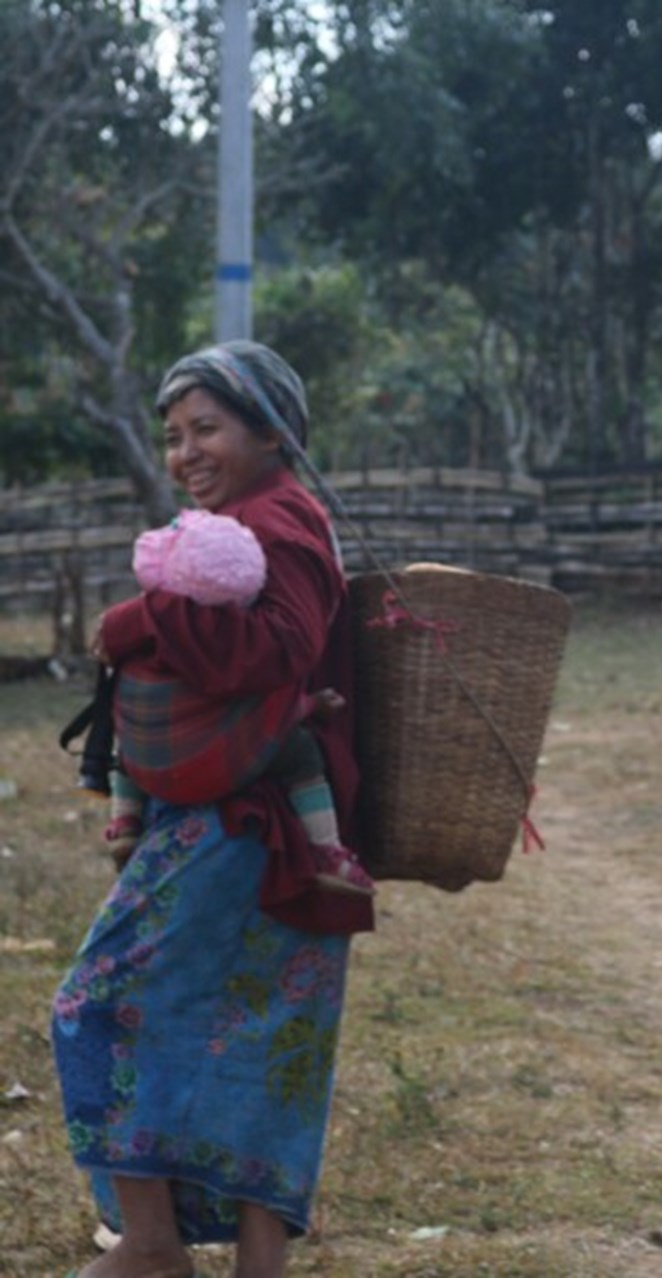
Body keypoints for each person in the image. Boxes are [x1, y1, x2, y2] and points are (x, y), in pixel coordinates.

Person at [51, 340, 374, 1278]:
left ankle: (153, 1242)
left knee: (98, 1002)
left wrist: (136, 619)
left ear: (272, 430)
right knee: (260, 1026)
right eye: (174, 436)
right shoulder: (252, 518)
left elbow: (267, 657)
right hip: (275, 823)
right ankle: (256, 1260)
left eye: (208, 429)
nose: (187, 452)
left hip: (247, 818)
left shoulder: (283, 524)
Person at [102, 507, 374, 896]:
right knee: (301, 752)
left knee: (126, 724)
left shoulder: (147, 628)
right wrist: (312, 705)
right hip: (215, 766)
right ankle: (327, 850)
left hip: (146, 768)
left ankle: (124, 821)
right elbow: (261, 712)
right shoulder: (229, 641)